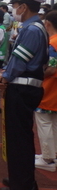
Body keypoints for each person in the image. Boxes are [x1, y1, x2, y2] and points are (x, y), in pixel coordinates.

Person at [0, 0, 48, 190]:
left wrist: (4, 77)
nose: (13, 10)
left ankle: (23, 184)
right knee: (19, 138)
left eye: (15, 6)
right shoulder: (33, 28)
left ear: (24, 7)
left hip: (22, 90)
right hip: (23, 88)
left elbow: (19, 61)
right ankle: (20, 178)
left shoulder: (32, 30)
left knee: (19, 140)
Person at [34, 10, 57, 172]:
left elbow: (51, 68)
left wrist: (36, 74)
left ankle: (48, 158)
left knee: (44, 122)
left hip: (49, 89)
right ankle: (52, 155)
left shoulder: (52, 42)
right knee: (54, 123)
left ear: (47, 24)